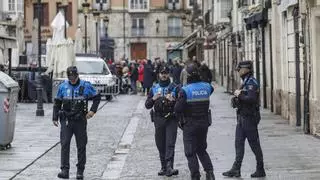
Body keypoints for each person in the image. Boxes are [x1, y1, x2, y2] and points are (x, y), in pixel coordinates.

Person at [52, 66, 101, 179]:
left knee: (81, 145)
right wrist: (55, 117)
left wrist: (92, 111)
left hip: (80, 120)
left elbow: (97, 97)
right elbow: (57, 102)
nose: (72, 79)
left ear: (77, 75)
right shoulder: (63, 86)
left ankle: (80, 171)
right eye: (70, 77)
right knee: (64, 144)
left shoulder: (86, 85)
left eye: (74, 76)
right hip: (66, 119)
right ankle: (64, 170)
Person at [222, 60, 265, 178]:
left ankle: (260, 168)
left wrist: (239, 94)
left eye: (240, 69)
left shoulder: (251, 82)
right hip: (242, 117)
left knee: (254, 144)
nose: (238, 71)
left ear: (246, 69)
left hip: (249, 118)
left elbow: (251, 98)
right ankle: (236, 169)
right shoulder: (245, 82)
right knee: (239, 143)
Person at [174, 63, 215, 180]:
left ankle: (195, 176)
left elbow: (178, 108)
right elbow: (211, 89)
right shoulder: (207, 86)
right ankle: (210, 173)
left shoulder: (185, 90)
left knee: (190, 152)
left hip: (190, 124)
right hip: (204, 123)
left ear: (187, 75)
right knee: (201, 149)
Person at [145, 66, 179, 177]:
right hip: (158, 119)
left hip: (171, 118)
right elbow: (147, 105)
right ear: (159, 74)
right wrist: (153, 98)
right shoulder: (154, 88)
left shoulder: (175, 87)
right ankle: (164, 167)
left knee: (170, 143)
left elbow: (181, 104)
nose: (164, 75)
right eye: (162, 73)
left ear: (169, 74)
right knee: (160, 144)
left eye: (166, 72)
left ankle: (169, 166)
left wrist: (174, 100)